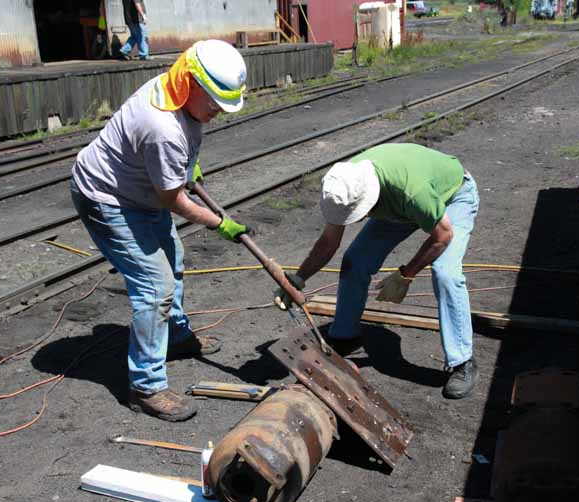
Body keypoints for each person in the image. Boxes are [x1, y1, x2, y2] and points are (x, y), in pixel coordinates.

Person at [71, 40, 249, 421]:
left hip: (140, 192)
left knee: (174, 259)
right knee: (155, 287)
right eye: (215, 103)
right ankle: (146, 387)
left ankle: (175, 337)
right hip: (108, 199)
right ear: (192, 84)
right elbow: (174, 200)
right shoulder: (163, 127)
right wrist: (219, 223)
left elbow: (176, 169)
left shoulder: (175, 89)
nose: (218, 112)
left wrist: (185, 169)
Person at [274, 143, 480, 399]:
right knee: (355, 260)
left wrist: (406, 274)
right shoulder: (343, 185)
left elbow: (442, 236)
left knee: (446, 274)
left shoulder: (409, 191)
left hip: (452, 197)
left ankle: (462, 361)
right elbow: (329, 242)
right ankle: (345, 335)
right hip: (399, 207)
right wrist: (298, 278)